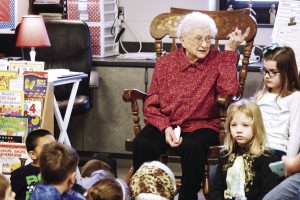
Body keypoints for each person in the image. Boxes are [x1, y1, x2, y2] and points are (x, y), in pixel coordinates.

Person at [132, 11, 250, 200]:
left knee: (193, 147)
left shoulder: (218, 60)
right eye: (198, 39)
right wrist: (165, 127)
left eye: (208, 39)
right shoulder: (165, 63)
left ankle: (187, 197)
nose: (204, 44)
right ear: (182, 39)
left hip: (202, 124)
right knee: (143, 143)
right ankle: (147, 194)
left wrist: (229, 51)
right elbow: (152, 103)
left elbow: (229, 90)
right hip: (167, 121)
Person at [210, 100, 279, 200]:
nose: (238, 130)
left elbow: (268, 193)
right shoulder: (225, 155)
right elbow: (217, 188)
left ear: (256, 127)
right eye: (234, 125)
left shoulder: (266, 157)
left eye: (245, 125)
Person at [255, 46, 300, 159]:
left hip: (276, 149)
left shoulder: (295, 97)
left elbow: (295, 134)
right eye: (265, 71)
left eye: (273, 72)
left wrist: (288, 162)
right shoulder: (260, 96)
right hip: (255, 147)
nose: (267, 76)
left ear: (287, 73)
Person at [10, 129, 55, 200]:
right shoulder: (19, 174)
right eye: (47, 147)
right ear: (33, 154)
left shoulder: (61, 171)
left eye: (55, 145)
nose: (54, 150)